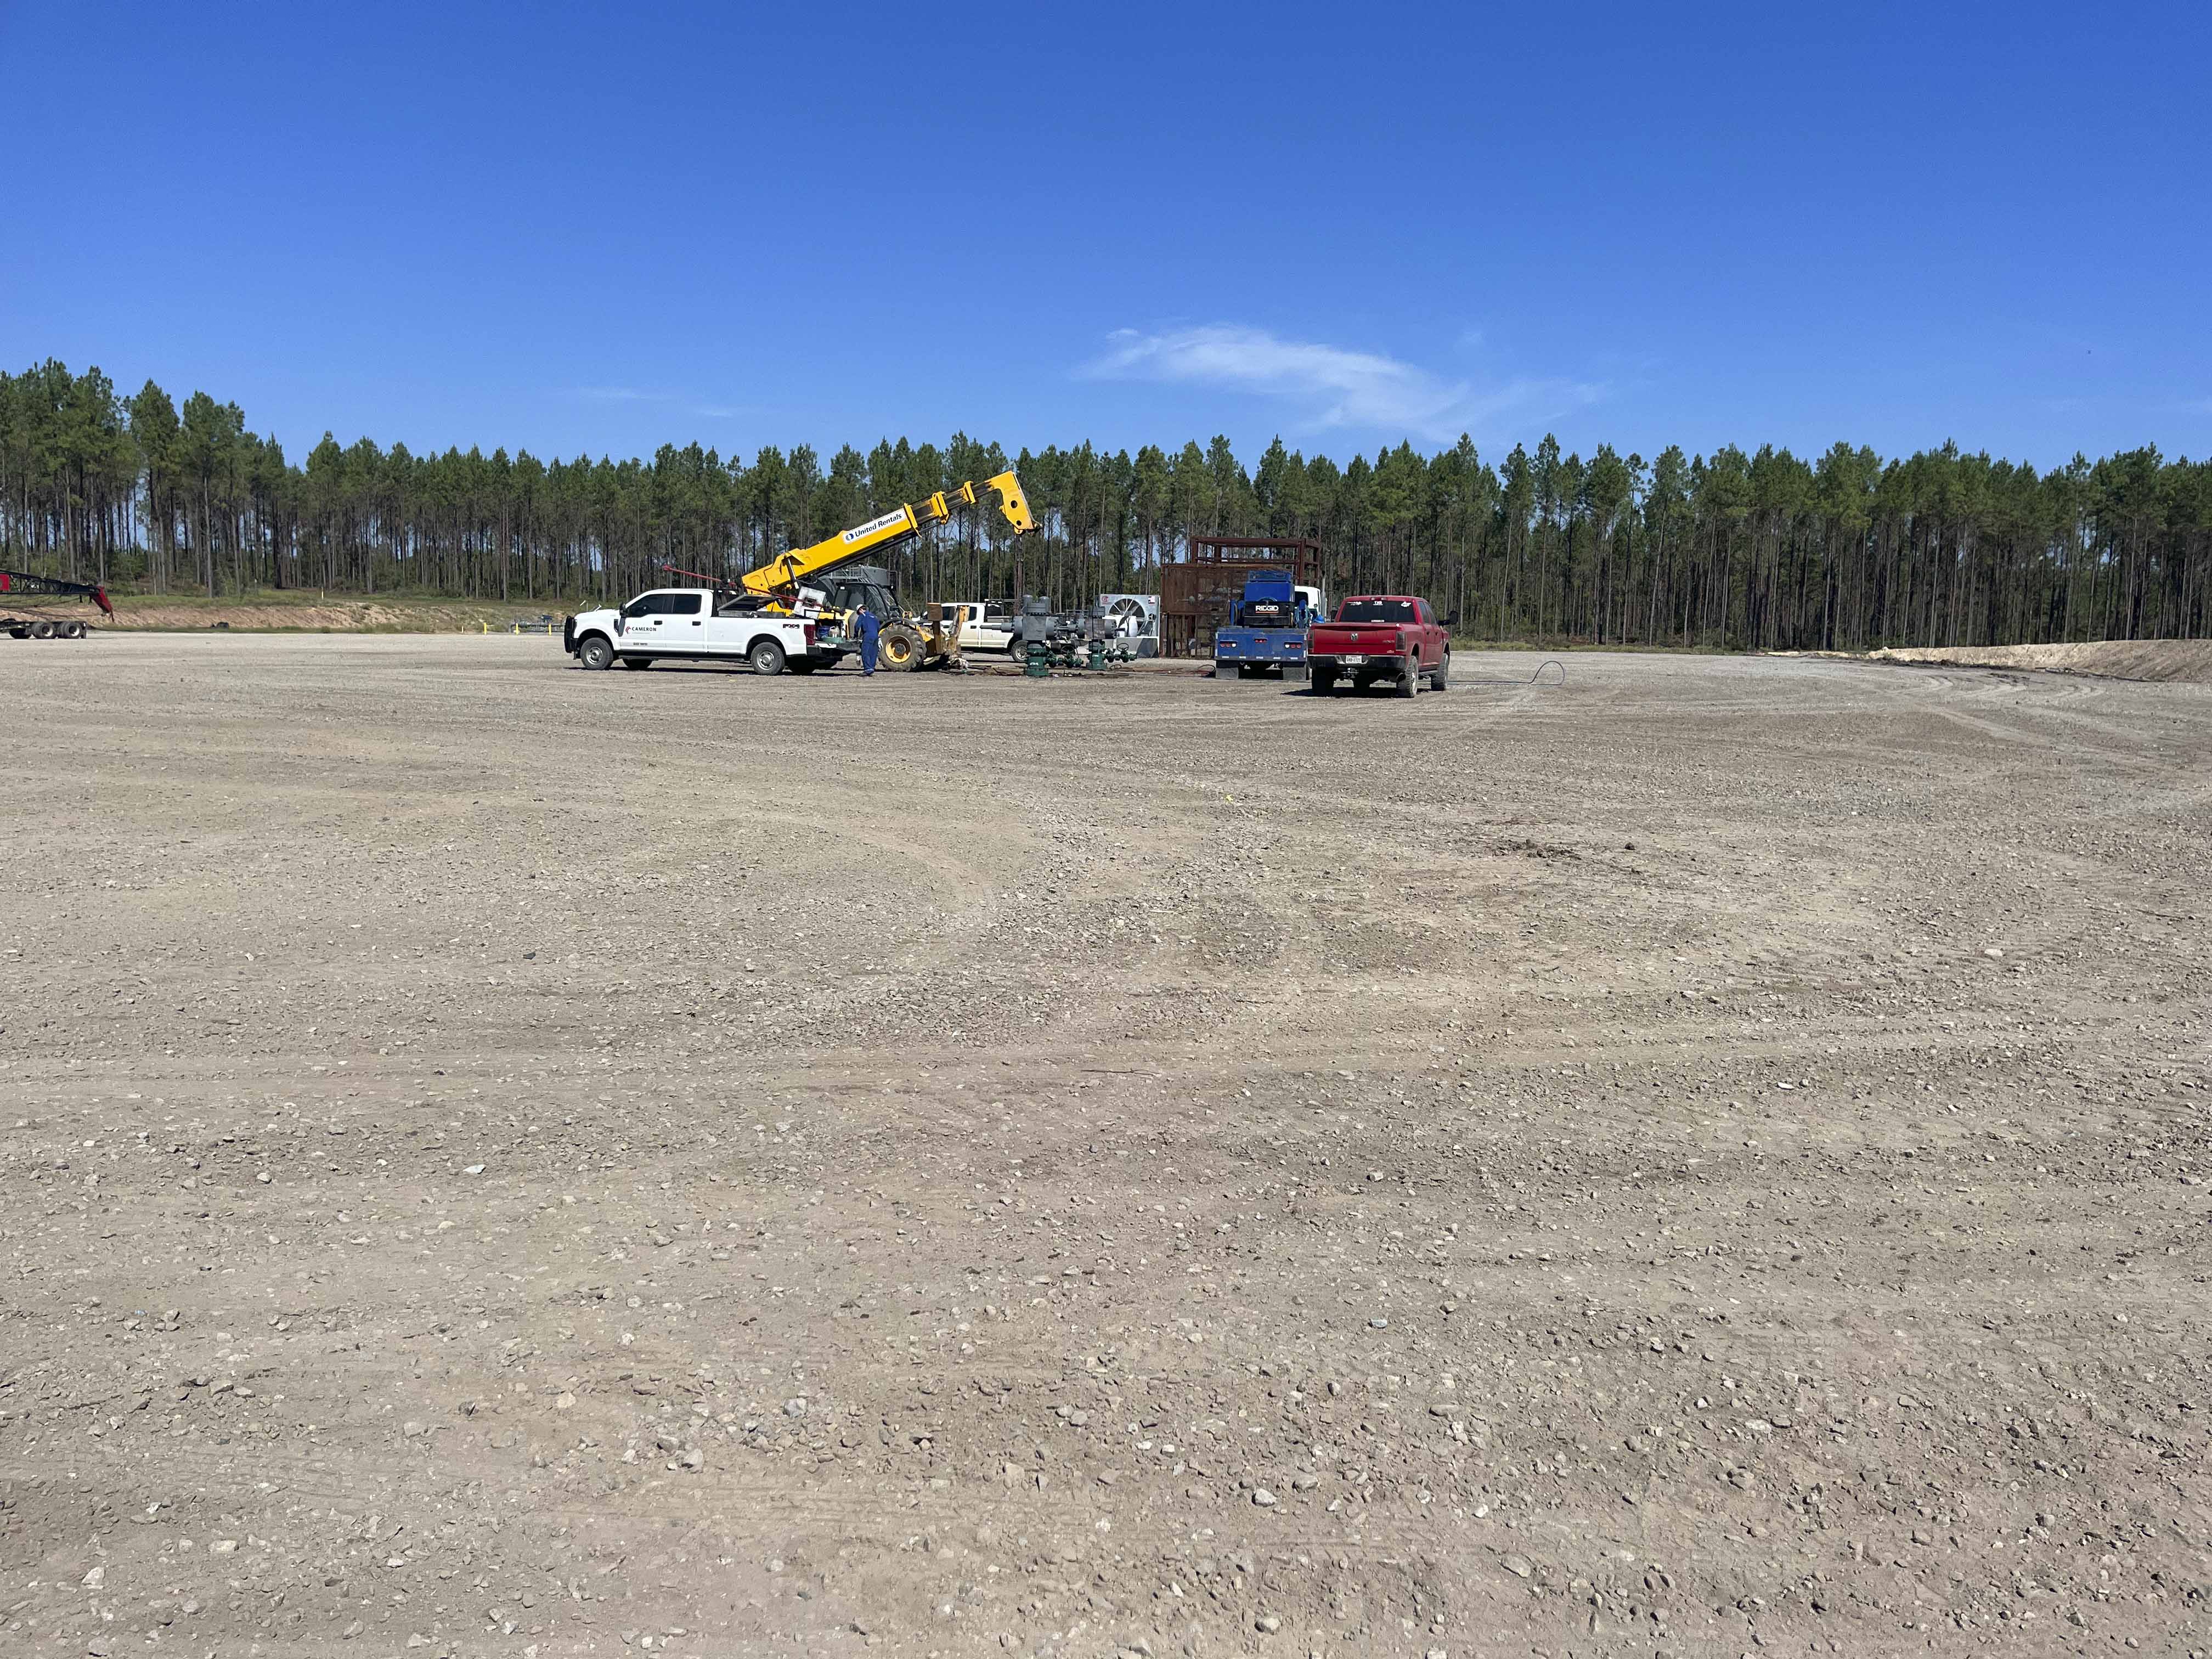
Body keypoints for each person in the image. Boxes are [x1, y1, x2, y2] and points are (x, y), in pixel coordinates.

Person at [857, 607, 881, 676]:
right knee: (873, 653)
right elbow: (879, 628)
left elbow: (857, 626)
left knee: (865, 652)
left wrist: (855, 635)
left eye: (859, 613)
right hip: (876, 635)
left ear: (860, 610)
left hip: (868, 635)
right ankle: (871, 669)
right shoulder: (874, 617)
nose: (859, 614)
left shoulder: (863, 615)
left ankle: (867, 669)